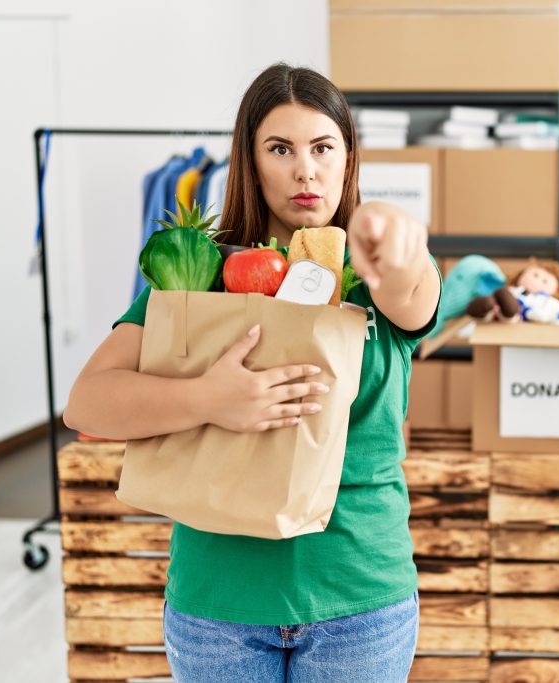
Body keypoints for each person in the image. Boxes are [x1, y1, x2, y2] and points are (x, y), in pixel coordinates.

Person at [63, 63, 441, 682]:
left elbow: (411, 292)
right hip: (219, 605)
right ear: (249, 159)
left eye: (323, 147)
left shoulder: (375, 277)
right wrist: (210, 399)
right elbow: (86, 402)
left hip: (360, 600)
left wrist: (391, 239)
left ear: (348, 157)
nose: (305, 170)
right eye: (280, 148)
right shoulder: (198, 274)